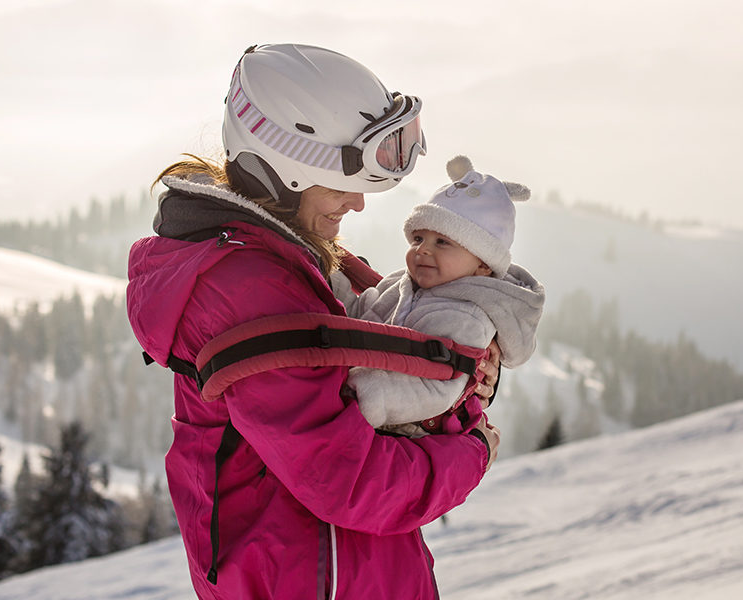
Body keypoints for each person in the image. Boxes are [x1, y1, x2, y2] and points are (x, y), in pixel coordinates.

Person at [125, 43, 500, 600]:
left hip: (346, 568)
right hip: (314, 578)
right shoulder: (250, 291)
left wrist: (467, 372)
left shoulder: (295, 258)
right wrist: (475, 451)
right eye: (341, 181)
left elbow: (405, 347)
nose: (359, 203)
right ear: (289, 174)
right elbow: (352, 481)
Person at [346, 156, 545, 437]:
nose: (422, 250)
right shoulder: (401, 285)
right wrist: (329, 279)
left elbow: (438, 388)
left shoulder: (467, 316)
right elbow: (356, 316)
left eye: (442, 242)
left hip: (410, 433)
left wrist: (366, 393)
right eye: (418, 239)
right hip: (371, 415)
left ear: (483, 263)